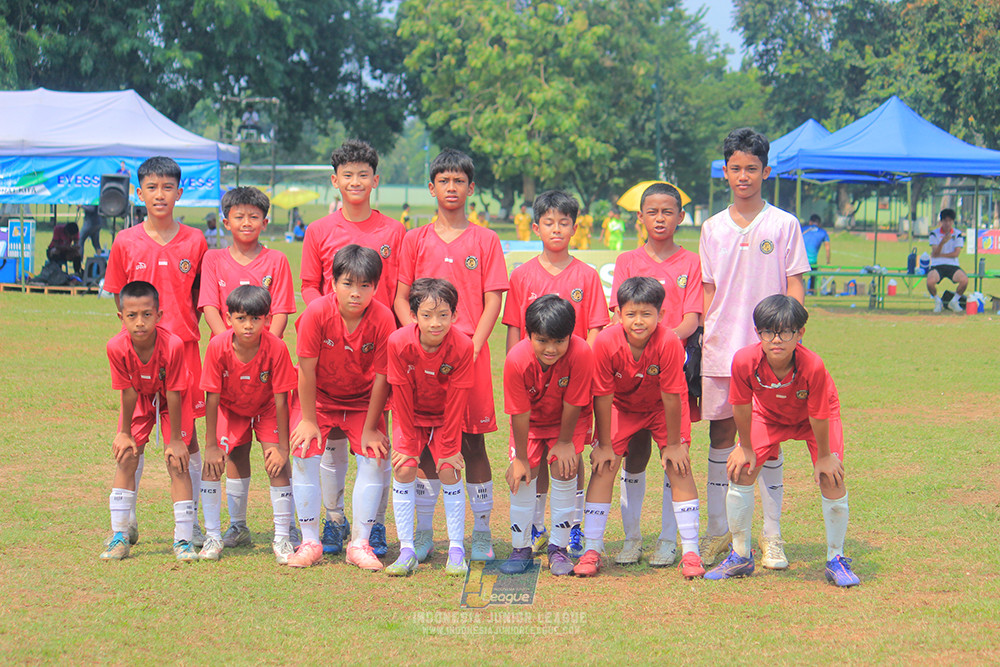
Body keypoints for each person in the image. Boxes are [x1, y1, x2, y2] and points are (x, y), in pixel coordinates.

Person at [699, 128, 810, 570]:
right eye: (735, 168)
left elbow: (795, 283)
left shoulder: (784, 224)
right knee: (722, 436)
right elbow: (708, 290)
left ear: (766, 171)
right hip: (723, 350)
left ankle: (772, 536)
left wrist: (791, 336)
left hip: (772, 352)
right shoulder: (711, 227)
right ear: (724, 172)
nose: (743, 176)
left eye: (752, 168)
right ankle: (717, 532)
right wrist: (707, 336)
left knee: (772, 442)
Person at [395, 148, 509, 563]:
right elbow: (400, 295)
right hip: (421, 362)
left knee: (473, 444)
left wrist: (474, 346)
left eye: (459, 181)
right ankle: (423, 533)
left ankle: (481, 533)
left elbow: (493, 299)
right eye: (444, 180)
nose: (451, 187)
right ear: (432, 188)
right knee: (426, 445)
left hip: (468, 359)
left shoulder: (486, 239)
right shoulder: (415, 239)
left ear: (471, 188)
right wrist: (415, 339)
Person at [705, 295, 859, 587]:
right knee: (741, 470)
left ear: (800, 333)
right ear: (758, 333)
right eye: (768, 331)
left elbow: (818, 414)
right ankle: (740, 556)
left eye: (786, 332)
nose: (777, 340)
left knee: (832, 476)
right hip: (769, 414)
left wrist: (825, 456)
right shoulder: (744, 360)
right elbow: (740, 404)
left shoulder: (812, 364)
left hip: (814, 419)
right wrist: (746, 447)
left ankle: (835, 558)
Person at [299, 139, 405, 556]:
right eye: (348, 174)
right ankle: (334, 519)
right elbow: (309, 284)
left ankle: (374, 526)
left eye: (364, 174)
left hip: (374, 347)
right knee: (330, 446)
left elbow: (395, 290)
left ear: (375, 180)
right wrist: (327, 320)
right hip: (327, 347)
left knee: (374, 441)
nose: (356, 181)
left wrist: (392, 331)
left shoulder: (394, 231)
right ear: (335, 180)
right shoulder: (319, 231)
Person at [103, 156, 208, 547]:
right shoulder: (125, 241)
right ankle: (124, 523)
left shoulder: (196, 240)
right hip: (140, 356)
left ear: (179, 192)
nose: (159, 194)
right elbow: (121, 294)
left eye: (167, 187)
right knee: (134, 435)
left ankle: (190, 523)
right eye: (152, 187)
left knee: (186, 437)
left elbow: (199, 295)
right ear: (139, 192)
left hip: (184, 352)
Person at [502, 189, 609, 558]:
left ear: (575, 227)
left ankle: (573, 525)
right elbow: (515, 333)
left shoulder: (587, 275)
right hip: (533, 381)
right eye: (549, 222)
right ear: (536, 227)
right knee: (534, 455)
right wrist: (517, 369)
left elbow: (596, 328)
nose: (557, 229)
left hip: (574, 379)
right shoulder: (522, 276)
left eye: (564, 222)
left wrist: (580, 365)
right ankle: (535, 524)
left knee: (568, 455)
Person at [576, 277, 703, 578]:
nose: (638, 321)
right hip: (621, 406)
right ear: (618, 314)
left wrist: (674, 444)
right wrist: (604, 444)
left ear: (660, 315)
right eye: (631, 314)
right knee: (605, 466)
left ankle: (692, 552)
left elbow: (673, 396)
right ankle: (592, 548)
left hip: (663, 408)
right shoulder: (606, 342)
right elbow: (603, 397)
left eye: (646, 314)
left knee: (679, 464)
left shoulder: (669, 341)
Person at [608, 182, 702, 567]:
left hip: (672, 369)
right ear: (640, 218)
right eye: (653, 212)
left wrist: (661, 342)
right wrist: (641, 343)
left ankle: (669, 540)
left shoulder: (690, 263)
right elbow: (619, 315)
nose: (660, 218)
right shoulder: (628, 260)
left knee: (673, 457)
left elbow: (692, 319)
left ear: (681, 217)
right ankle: (631, 539)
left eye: (668, 212)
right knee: (633, 455)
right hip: (629, 377)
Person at [287, 245, 396, 569]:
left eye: (365, 285)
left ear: (375, 287)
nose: (356, 293)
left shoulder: (383, 318)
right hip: (319, 399)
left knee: (375, 455)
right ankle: (310, 541)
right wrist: (308, 419)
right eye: (348, 283)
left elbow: (382, 377)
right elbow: (306, 369)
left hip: (363, 401)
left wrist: (372, 426)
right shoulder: (316, 313)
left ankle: (360, 543)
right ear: (333, 283)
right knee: (304, 448)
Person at [376, 278, 474, 577]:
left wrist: (451, 448)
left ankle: (456, 549)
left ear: (454, 315)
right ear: (414, 316)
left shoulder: (463, 345)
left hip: (446, 416)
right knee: (404, 467)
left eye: (444, 315)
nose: (436, 323)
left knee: (448, 468)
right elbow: (400, 394)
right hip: (411, 415)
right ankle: (407, 549)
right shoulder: (399, 342)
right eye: (427, 315)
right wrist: (405, 445)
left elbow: (457, 400)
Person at [198, 286, 297, 563]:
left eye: (256, 318)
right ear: (228, 318)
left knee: (276, 462)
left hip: (266, 408)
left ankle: (282, 537)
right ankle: (218, 534)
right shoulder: (218, 346)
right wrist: (211, 446)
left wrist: (283, 448)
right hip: (230, 408)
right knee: (217, 462)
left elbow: (281, 400)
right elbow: (212, 398)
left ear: (267, 320)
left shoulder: (276, 348)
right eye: (241, 318)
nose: (248, 325)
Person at [100, 281, 197, 561]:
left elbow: (175, 392)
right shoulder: (116, 347)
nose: (139, 322)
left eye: (147, 314)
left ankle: (184, 540)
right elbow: (127, 392)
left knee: (177, 462)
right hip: (140, 398)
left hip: (172, 401)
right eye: (132, 315)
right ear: (121, 317)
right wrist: (124, 432)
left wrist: (176, 440)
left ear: (159, 315)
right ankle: (119, 536)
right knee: (127, 456)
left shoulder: (174, 345)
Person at [499, 295, 594, 576]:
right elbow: (519, 412)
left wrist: (565, 443)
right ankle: (521, 548)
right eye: (542, 341)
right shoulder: (516, 359)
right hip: (531, 423)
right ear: (528, 335)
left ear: (570, 336)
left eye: (559, 341)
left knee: (565, 470)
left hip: (567, 422)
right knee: (523, 476)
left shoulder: (582, 352)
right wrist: (520, 458)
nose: (551, 349)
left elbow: (574, 402)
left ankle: (558, 549)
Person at [198, 187, 296, 342]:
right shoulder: (212, 259)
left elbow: (280, 312)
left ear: (264, 223)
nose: (246, 223)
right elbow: (210, 308)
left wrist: (267, 347)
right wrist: (228, 345)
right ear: (227, 223)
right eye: (239, 217)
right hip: (224, 350)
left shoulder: (277, 260)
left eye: (253, 217)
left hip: (265, 351)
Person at [927, 208, 968, 313]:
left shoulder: (957, 234)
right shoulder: (934, 234)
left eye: (950, 221)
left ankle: (954, 301)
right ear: (941, 221)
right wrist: (942, 242)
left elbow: (956, 253)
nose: (947, 223)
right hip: (937, 265)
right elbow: (935, 253)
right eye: (945, 221)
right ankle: (937, 301)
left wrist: (940, 254)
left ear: (953, 222)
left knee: (964, 280)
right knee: (930, 281)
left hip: (952, 265)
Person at [801, 214, 831, 294]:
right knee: (814, 275)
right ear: (819, 223)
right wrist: (828, 261)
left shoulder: (802, 229)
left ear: (810, 222)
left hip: (800, 260)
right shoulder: (823, 232)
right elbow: (827, 248)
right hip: (813, 261)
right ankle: (811, 291)